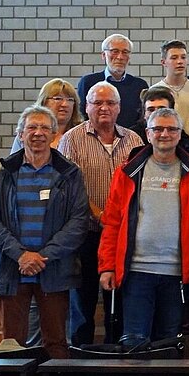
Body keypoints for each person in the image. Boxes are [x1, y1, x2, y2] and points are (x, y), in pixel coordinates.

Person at [0, 105, 90, 359]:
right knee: (11, 345)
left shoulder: (69, 173)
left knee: (56, 342)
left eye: (44, 128)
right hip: (11, 269)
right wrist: (21, 256)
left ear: (53, 134)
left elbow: (78, 221)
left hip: (54, 269)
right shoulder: (2, 172)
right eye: (31, 127)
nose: (38, 133)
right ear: (19, 134)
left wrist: (42, 257)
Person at [99, 108, 189, 343]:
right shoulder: (127, 171)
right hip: (136, 272)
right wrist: (107, 266)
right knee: (134, 339)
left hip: (176, 273)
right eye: (158, 129)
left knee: (168, 340)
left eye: (171, 129)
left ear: (180, 134)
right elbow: (112, 222)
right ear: (148, 134)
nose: (164, 134)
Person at [58, 82, 146, 345]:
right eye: (97, 103)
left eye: (110, 103)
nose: (104, 108)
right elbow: (68, 188)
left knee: (117, 300)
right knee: (82, 301)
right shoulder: (71, 139)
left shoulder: (134, 140)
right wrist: (99, 214)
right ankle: (80, 363)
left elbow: (141, 185)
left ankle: (115, 361)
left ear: (119, 108)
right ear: (86, 107)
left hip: (122, 236)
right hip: (85, 233)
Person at [77, 33, 148, 131]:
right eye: (115, 51)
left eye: (125, 52)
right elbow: (81, 116)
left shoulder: (140, 85)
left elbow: (142, 120)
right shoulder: (88, 82)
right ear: (103, 55)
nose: (120, 57)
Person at [150, 39, 189, 139]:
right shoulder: (155, 91)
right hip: (165, 141)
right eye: (174, 58)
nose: (179, 62)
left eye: (183, 57)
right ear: (163, 62)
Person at [10, 79, 81, 153]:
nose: (65, 104)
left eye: (70, 100)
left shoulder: (81, 134)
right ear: (44, 102)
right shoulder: (27, 135)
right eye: (58, 98)